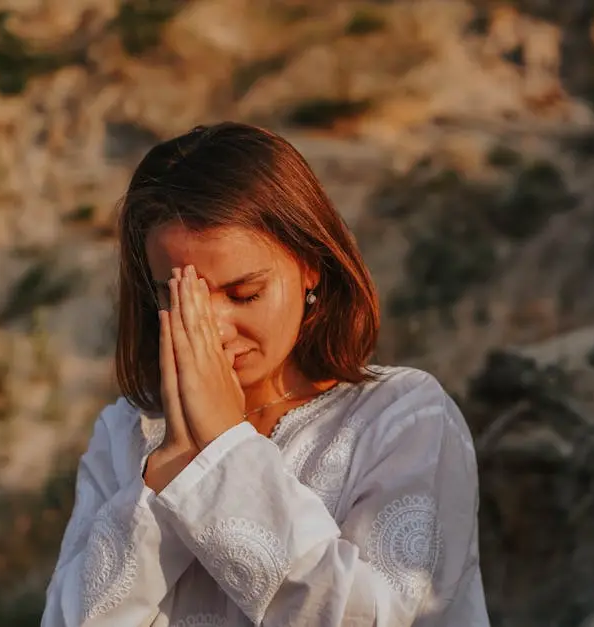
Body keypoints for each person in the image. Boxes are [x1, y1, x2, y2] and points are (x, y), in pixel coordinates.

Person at [40, 122, 491, 626]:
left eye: (243, 293)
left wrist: (222, 453)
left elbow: (372, 617)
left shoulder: (402, 418)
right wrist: (166, 473)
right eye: (177, 298)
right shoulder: (127, 432)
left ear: (311, 267)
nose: (211, 329)